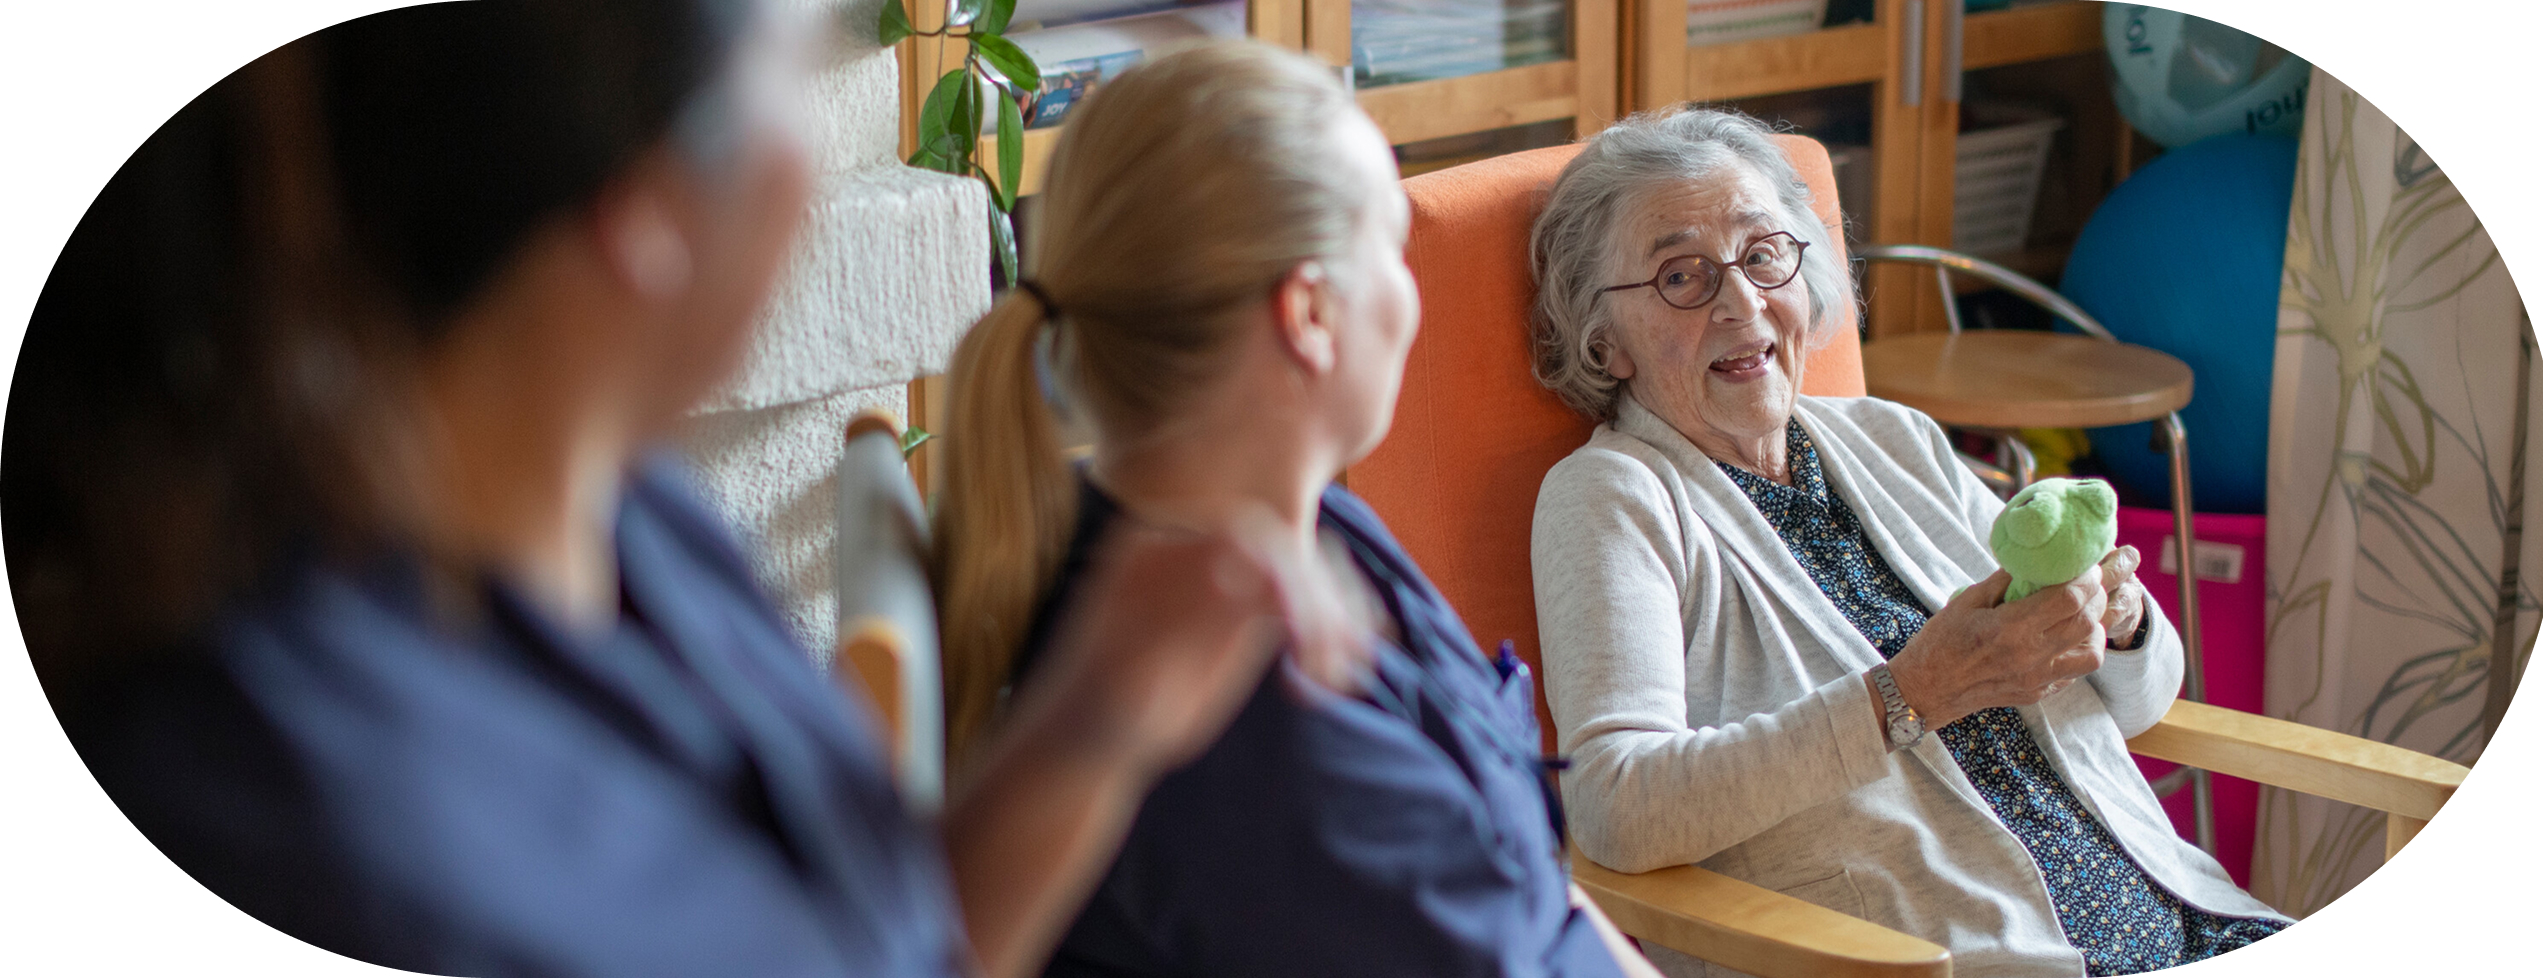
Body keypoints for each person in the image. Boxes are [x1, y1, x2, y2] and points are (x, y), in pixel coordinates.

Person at [2, 3, 1352, 976]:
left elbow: (880, 942)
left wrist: (1099, 715)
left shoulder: (628, 519)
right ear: (640, 206)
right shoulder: (323, 837)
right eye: (797, 58)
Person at [931, 41, 1657, 978]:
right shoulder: (1255, 730)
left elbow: (1538, 892)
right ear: (1310, 313)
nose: (1414, 293)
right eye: (1392, 249)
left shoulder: (1314, 529)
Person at [1522, 105, 2290, 978]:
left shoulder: (1895, 438)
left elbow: (2146, 700)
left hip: (2190, 919)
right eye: (1680, 277)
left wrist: (2114, 622)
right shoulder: (1613, 497)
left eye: (1764, 254)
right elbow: (1618, 806)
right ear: (1603, 339)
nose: (1742, 302)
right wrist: (1910, 693)